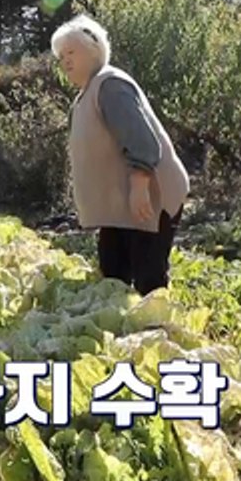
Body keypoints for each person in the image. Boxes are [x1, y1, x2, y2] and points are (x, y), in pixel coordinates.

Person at [53, 15, 190, 296]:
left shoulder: (110, 85)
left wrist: (139, 187)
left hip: (147, 201)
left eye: (71, 52)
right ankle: (126, 334)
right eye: (61, 56)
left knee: (147, 281)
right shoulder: (86, 95)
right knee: (112, 276)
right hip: (121, 208)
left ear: (94, 51)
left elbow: (142, 140)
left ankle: (156, 332)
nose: (65, 61)